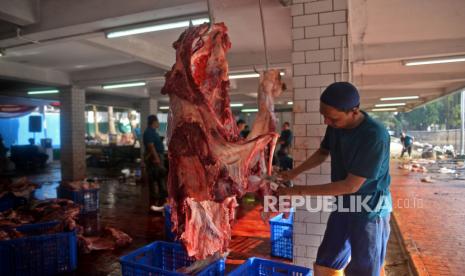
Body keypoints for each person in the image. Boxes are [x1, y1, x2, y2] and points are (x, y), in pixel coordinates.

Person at [278, 82, 391, 276]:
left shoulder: (374, 136)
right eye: (324, 116)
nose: (327, 122)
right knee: (325, 264)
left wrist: (296, 191)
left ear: (354, 111)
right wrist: (294, 172)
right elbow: (323, 152)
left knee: (364, 270)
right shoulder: (336, 126)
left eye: (332, 118)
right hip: (344, 205)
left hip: (370, 210)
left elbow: (350, 186)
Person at [143, 115, 167, 213]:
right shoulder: (148, 132)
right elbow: (151, 146)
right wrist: (156, 158)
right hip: (154, 157)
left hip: (158, 156)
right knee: (155, 176)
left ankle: (161, 196)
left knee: (159, 176)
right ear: (153, 122)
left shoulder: (153, 132)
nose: (158, 123)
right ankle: (156, 198)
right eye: (157, 122)